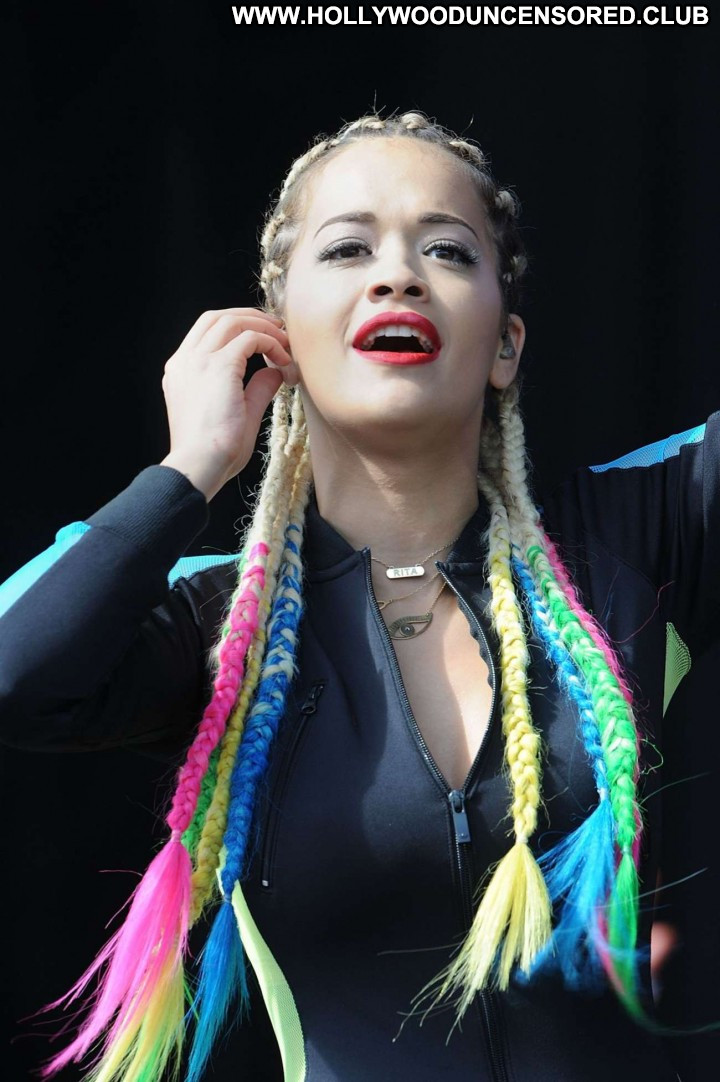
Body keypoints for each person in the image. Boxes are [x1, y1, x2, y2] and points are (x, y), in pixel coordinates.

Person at [1, 109, 717, 1082]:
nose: (398, 275)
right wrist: (188, 469)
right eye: (348, 248)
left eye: (447, 250)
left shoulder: (636, 532)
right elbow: (18, 672)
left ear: (505, 346)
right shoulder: (221, 619)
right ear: (275, 336)